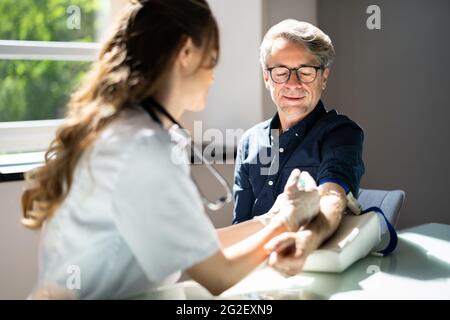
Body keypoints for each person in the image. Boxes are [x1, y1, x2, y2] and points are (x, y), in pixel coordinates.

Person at [21, 0, 318, 299]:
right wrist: (288, 219)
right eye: (212, 59)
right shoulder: (145, 149)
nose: (213, 77)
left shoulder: (122, 131)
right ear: (186, 52)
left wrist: (270, 218)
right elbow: (218, 274)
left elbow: (193, 247)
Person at [233, 19, 365, 275]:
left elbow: (332, 197)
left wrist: (304, 241)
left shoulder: (340, 133)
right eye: (281, 72)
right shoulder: (250, 141)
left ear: (323, 77)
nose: (293, 84)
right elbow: (241, 225)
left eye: (305, 71)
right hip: (255, 272)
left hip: (313, 268)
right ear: (267, 78)